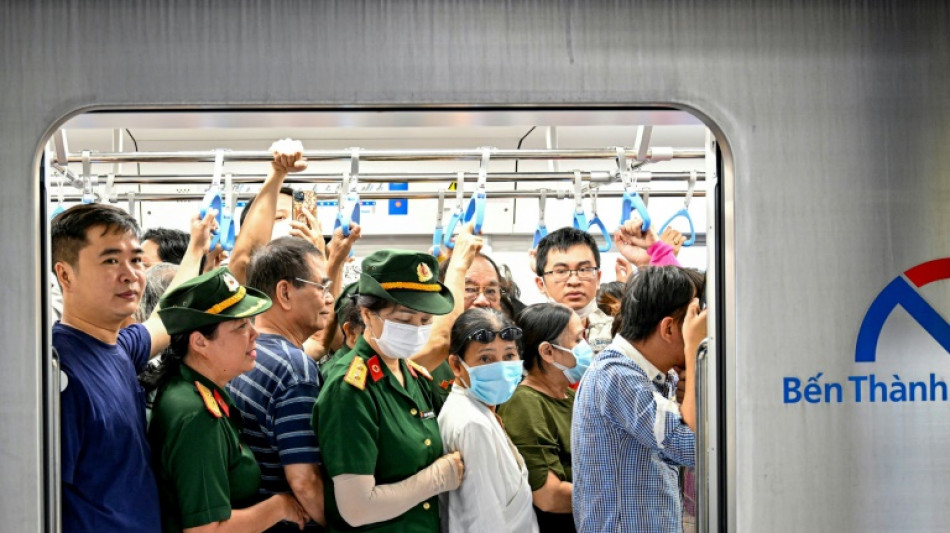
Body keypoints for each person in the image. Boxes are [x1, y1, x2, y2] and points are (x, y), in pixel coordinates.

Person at [52, 203, 211, 532]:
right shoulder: (59, 373)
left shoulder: (118, 347)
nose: (132, 274)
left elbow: (167, 315)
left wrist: (196, 248)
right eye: (110, 260)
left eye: (136, 260)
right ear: (65, 274)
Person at [143, 267, 309, 532]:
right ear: (199, 342)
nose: (255, 334)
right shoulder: (196, 414)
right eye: (241, 326)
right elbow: (205, 530)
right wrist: (279, 506)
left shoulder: (194, 388)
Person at [313, 250, 465, 532]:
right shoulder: (349, 389)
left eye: (424, 321)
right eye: (405, 320)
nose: (416, 330)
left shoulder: (411, 374)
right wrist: (436, 479)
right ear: (368, 315)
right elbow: (357, 509)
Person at [572, 266, 706, 533]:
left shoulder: (654, 374)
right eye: (694, 323)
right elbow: (692, 447)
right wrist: (693, 351)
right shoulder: (616, 375)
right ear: (669, 328)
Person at [227, 237, 334, 531]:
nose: (329, 298)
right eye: (322, 287)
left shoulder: (241, 353)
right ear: (285, 292)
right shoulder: (294, 368)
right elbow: (304, 480)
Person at [439, 308, 538, 533]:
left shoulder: (481, 411)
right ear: (456, 365)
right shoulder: (472, 424)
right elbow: (482, 521)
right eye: (486, 358)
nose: (502, 368)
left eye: (509, 356)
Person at [496, 303, 587, 532]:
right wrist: (620, 494)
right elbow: (549, 496)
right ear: (548, 352)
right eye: (577, 341)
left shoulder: (570, 395)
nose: (585, 347)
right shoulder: (525, 403)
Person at [533, 227, 613, 355]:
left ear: (598, 278)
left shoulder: (618, 332)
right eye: (560, 271)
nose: (574, 281)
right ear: (541, 284)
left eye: (584, 269)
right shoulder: (528, 336)